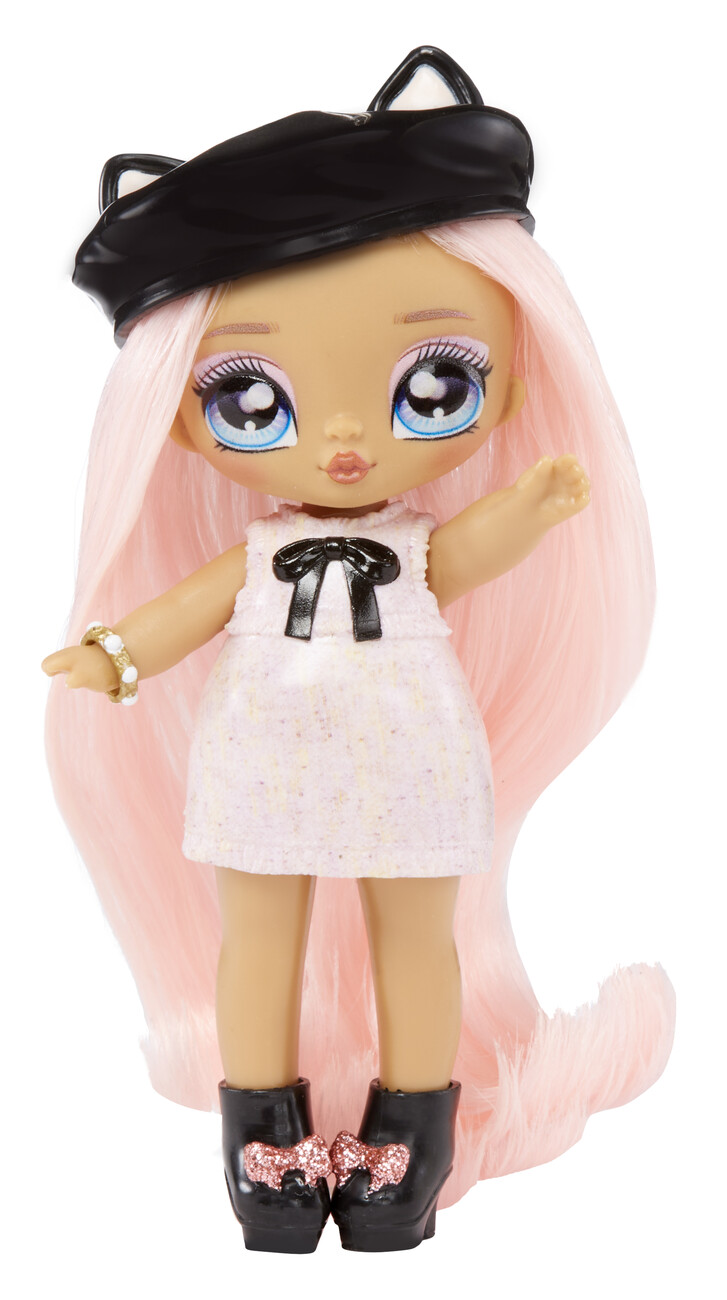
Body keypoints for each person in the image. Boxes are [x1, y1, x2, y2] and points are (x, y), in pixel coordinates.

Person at [41, 46, 675, 1254]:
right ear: (176, 417)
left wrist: (532, 506)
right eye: (251, 400)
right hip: (262, 761)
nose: (340, 441)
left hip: (411, 759)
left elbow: (465, 553)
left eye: (434, 384)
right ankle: (262, 1133)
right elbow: (186, 610)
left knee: (416, 939)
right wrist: (112, 654)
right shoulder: (259, 554)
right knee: (258, 943)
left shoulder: (417, 544)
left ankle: (409, 1127)